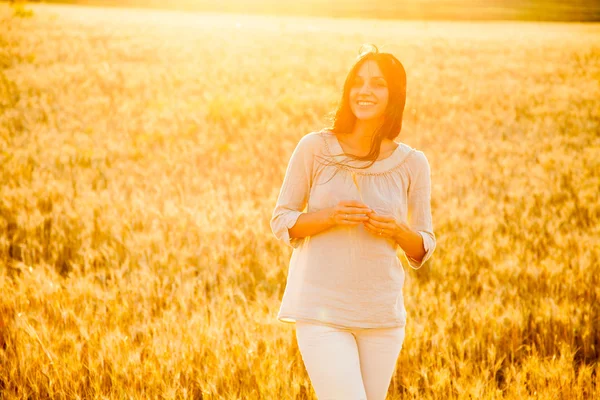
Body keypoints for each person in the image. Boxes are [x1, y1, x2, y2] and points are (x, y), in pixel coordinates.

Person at [269, 44, 436, 400]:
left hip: (382, 317)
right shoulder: (314, 148)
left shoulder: (413, 163)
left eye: (377, 84)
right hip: (321, 311)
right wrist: (328, 217)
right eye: (357, 82)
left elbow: (423, 244)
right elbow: (282, 220)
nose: (365, 91)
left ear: (394, 94)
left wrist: (397, 230)